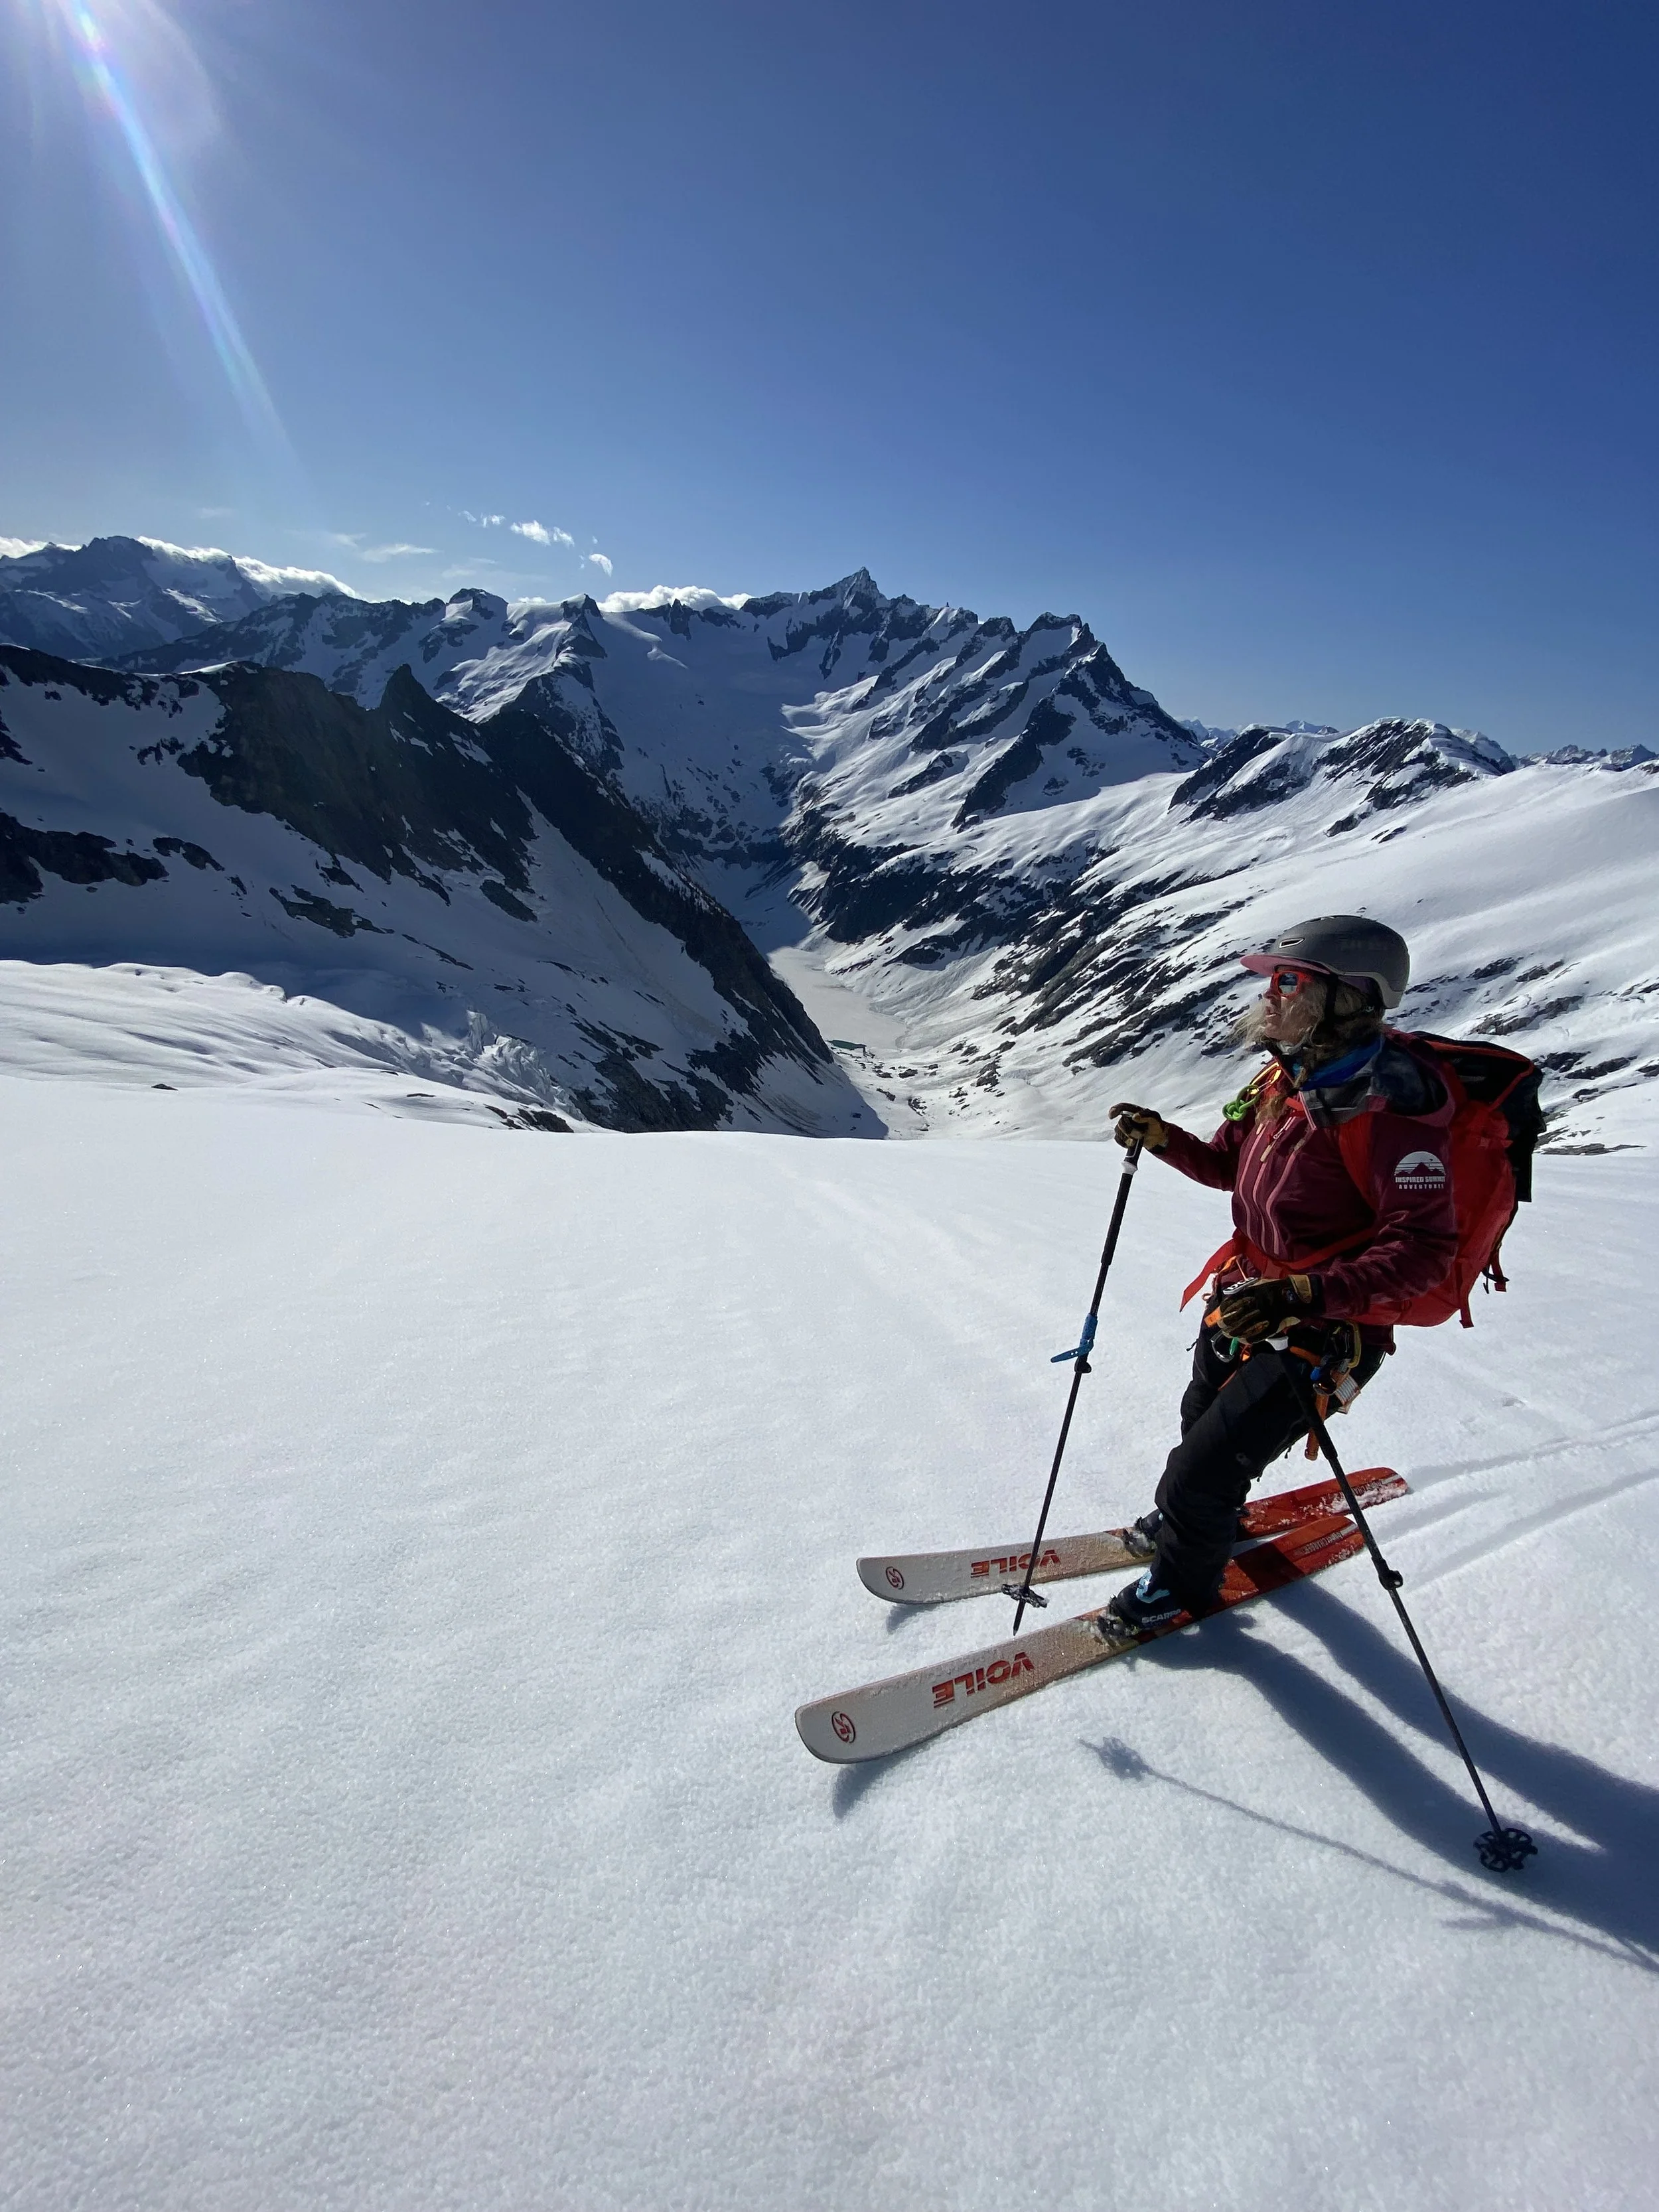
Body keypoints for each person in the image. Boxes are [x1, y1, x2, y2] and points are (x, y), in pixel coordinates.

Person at [1102, 913, 1456, 1636]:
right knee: (1200, 1426)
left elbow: (1423, 1251)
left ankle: (1180, 1583)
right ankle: (1203, 1515)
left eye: (1289, 981)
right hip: (1246, 1301)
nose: (1271, 994)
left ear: (1349, 995)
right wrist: (1166, 1140)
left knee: (1198, 1472)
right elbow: (1231, 1167)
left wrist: (1303, 1294)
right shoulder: (1284, 1076)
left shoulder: (1394, 1107)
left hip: (1322, 1331)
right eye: (1274, 979)